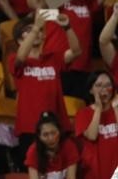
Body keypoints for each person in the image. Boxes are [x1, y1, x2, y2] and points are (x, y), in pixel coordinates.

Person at [9, 11, 80, 158]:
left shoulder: (53, 58)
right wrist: (36, 27)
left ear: (44, 36)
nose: (35, 32)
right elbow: (21, 56)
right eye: (27, 31)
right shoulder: (14, 59)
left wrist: (67, 27)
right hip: (29, 126)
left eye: (39, 30)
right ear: (19, 40)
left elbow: (76, 51)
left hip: (56, 124)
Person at [75, 71, 118, 179]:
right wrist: (98, 108)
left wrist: (116, 108)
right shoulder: (83, 113)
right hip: (94, 174)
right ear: (91, 90)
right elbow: (92, 136)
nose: (104, 89)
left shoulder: (116, 110)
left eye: (108, 85)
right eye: (99, 85)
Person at [25, 111, 78, 179]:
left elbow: (71, 177)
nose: (51, 138)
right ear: (39, 136)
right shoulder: (33, 151)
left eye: (53, 133)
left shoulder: (69, 146)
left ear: (59, 131)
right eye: (45, 135)